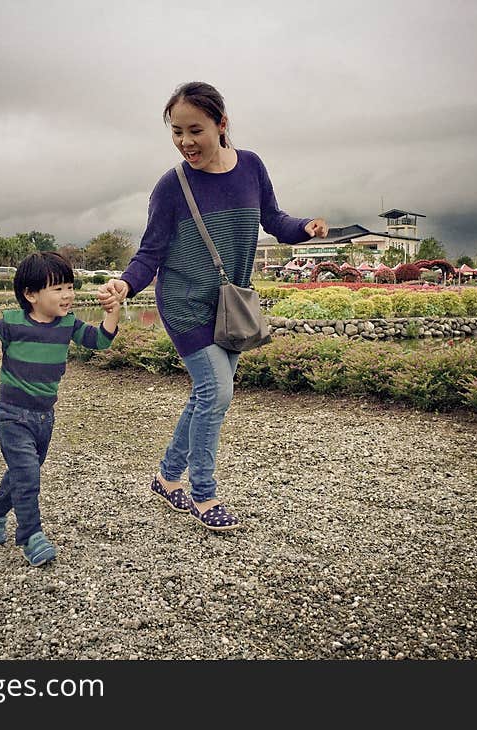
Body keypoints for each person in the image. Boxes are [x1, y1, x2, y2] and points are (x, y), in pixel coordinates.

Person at [97, 81, 328, 532]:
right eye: (176, 132)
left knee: (207, 395)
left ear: (222, 124)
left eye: (195, 130)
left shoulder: (252, 167)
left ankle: (167, 477)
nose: (185, 142)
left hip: (230, 303)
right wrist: (125, 284)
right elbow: (151, 252)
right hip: (184, 303)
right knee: (217, 393)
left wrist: (306, 227)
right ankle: (203, 494)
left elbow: (274, 220)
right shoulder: (172, 186)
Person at [0, 251, 119, 566]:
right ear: (31, 295)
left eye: (69, 286)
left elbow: (100, 341)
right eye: (58, 288)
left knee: (22, 473)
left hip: (44, 416)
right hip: (11, 413)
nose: (67, 294)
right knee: (27, 474)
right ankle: (31, 535)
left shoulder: (67, 324)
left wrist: (112, 312)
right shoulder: (10, 323)